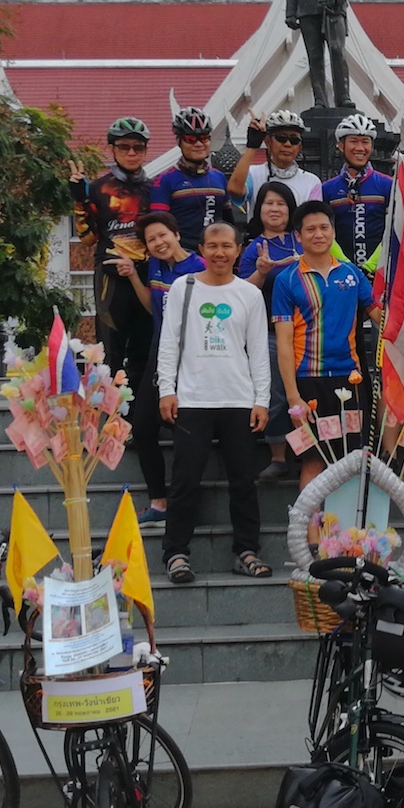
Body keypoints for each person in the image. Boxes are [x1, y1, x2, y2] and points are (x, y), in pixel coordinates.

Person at [157, 222, 272, 583]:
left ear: (239, 250)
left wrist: (262, 399)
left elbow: (258, 351)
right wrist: (166, 389)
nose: (219, 252)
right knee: (185, 479)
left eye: (227, 246)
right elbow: (169, 342)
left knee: (243, 481)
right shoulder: (183, 287)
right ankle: (176, 553)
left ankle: (246, 550)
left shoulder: (249, 294)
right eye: (212, 246)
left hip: (239, 398)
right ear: (202, 249)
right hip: (193, 398)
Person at [272, 200, 377, 494]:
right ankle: (313, 537)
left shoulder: (352, 274)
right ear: (299, 236)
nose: (318, 234)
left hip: (351, 380)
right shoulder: (286, 280)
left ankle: (346, 537)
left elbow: (380, 316)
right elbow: (283, 344)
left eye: (324, 227)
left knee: (352, 459)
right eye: (310, 229)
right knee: (313, 460)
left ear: (333, 232)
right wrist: (293, 396)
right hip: (308, 383)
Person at [122, 211, 204, 523]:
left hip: (195, 356)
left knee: (186, 431)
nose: (158, 243)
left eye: (162, 235)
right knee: (142, 425)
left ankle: (187, 505)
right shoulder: (155, 266)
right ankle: (159, 501)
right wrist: (132, 274)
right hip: (160, 352)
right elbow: (152, 307)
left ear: (177, 234)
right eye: (151, 240)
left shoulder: (200, 267)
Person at [68, 116, 154, 382]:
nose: (131, 153)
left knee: (146, 346)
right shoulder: (98, 188)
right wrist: (80, 200)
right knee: (110, 348)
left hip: (145, 272)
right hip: (110, 274)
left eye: (137, 147)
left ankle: (141, 415)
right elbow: (87, 238)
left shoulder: (155, 188)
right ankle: (108, 414)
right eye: (124, 146)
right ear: (113, 149)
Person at [239, 181, 303, 481]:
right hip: (270, 332)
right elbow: (239, 291)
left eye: (281, 203)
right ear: (259, 209)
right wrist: (261, 272)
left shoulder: (304, 239)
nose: (275, 209)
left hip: (308, 331)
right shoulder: (253, 247)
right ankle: (278, 455)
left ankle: (311, 451)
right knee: (277, 392)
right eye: (268, 203)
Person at [150, 106, 230, 250]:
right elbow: (158, 229)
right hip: (182, 258)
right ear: (179, 141)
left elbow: (229, 222)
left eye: (204, 138)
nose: (199, 144)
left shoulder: (219, 177)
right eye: (190, 139)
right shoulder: (164, 180)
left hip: (216, 257)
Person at [322, 112, 395, 267]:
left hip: (379, 271)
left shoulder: (387, 185)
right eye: (353, 141)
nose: (360, 148)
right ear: (341, 146)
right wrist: (345, 265)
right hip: (341, 270)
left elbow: (394, 229)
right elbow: (324, 230)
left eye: (365, 142)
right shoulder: (327, 189)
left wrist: (372, 266)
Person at [231, 108, 322, 212]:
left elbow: (314, 219)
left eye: (294, 140)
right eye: (281, 138)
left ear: (300, 147)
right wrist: (252, 146)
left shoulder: (312, 182)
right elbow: (234, 190)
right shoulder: (253, 173)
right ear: (268, 142)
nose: (287, 144)